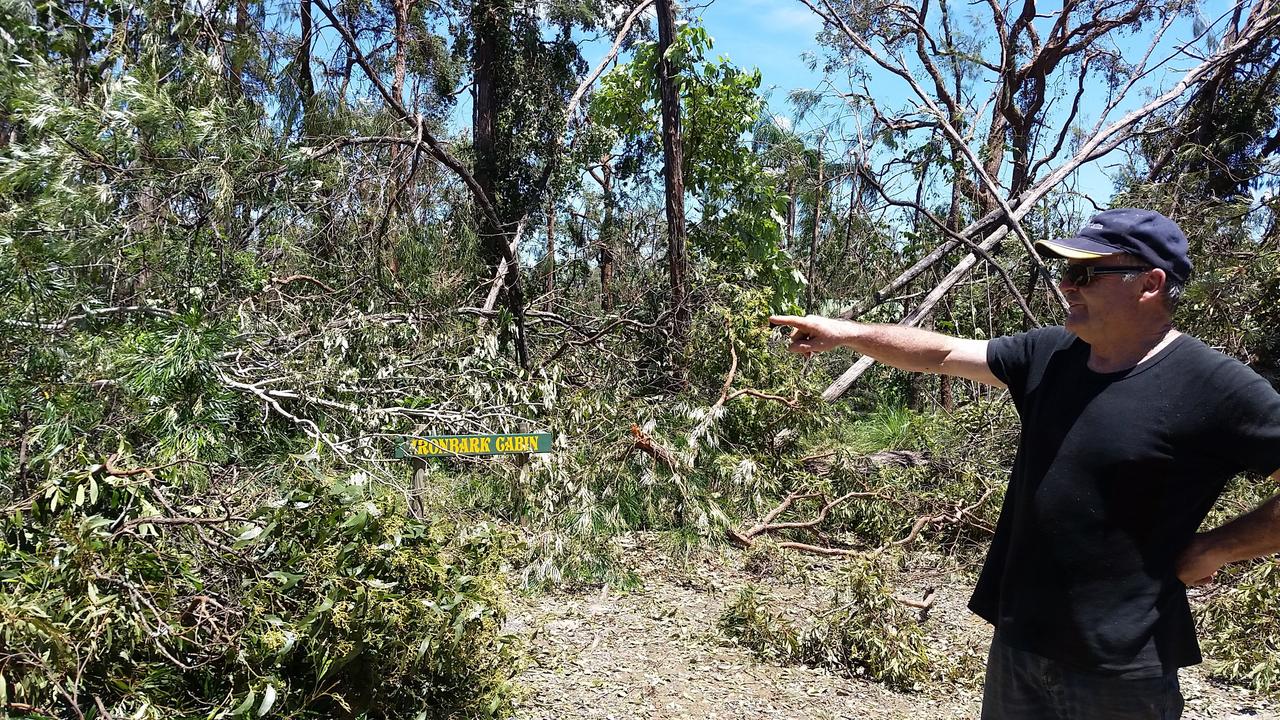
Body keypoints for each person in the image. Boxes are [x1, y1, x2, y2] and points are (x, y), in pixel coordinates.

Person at [769, 208, 1280, 720]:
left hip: (1119, 672)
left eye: (1083, 274)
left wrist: (1215, 549)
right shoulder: (1051, 355)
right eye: (1062, 272)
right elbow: (941, 354)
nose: (1065, 286)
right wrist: (844, 332)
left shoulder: (1214, 385)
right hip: (1019, 648)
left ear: (1149, 283)